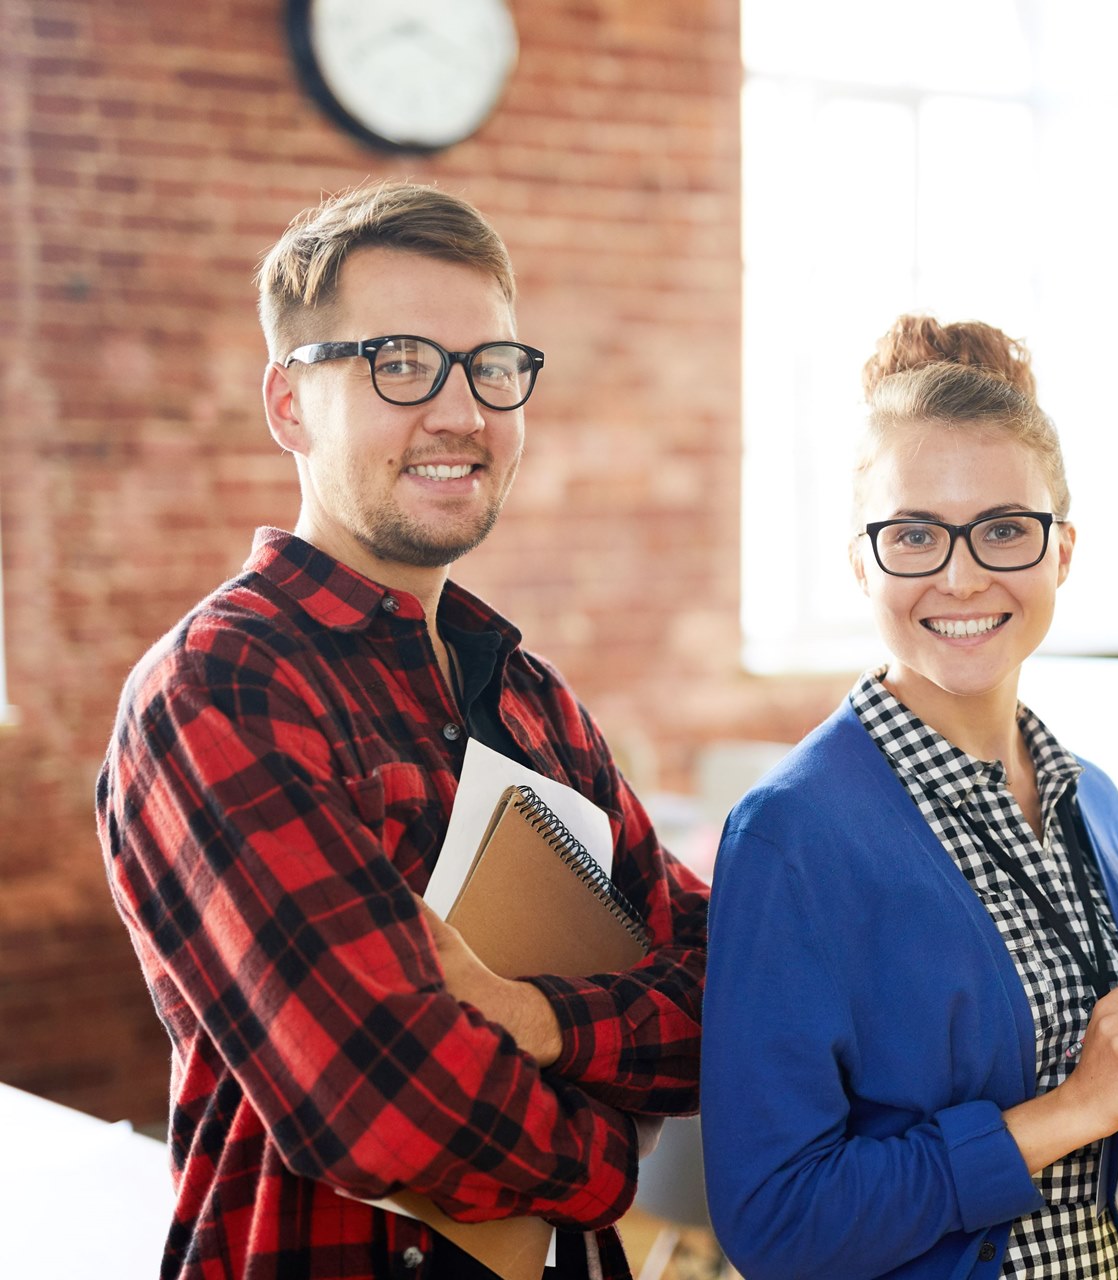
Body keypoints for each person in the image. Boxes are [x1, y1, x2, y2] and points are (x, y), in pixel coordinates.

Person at [95, 181, 708, 1280]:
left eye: (493, 367)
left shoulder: (528, 693)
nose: (462, 411)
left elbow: (724, 985)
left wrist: (538, 1020)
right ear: (290, 404)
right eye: (400, 363)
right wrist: (616, 1151)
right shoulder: (222, 684)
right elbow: (380, 1100)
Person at [700, 316, 1118, 1279]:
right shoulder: (793, 836)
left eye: (1005, 530)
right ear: (863, 563)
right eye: (913, 536)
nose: (962, 573)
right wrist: (1069, 1111)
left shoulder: (1088, 800)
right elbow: (775, 1222)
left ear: (1063, 550)